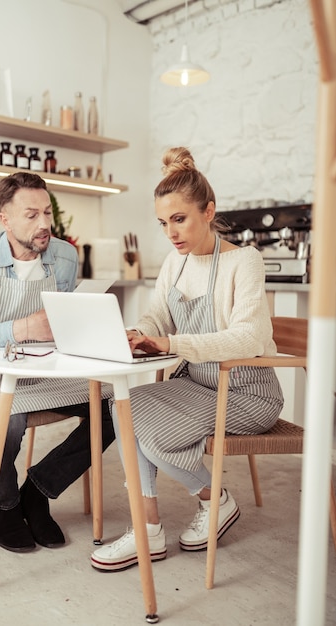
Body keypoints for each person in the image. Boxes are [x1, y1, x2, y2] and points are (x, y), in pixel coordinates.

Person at [91, 147, 284, 571]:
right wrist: (141, 333)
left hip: (247, 390)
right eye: (164, 223)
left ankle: (213, 499)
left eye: (179, 219)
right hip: (198, 382)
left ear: (208, 211)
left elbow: (249, 337)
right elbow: (157, 314)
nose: (171, 233)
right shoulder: (174, 263)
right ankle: (149, 529)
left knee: (152, 430)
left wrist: (170, 345)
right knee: (122, 405)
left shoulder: (244, 262)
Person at [0, 172, 115, 554]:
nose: (43, 225)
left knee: (115, 406)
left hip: (45, 370)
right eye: (30, 215)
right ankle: (5, 508)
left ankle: (37, 491)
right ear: (4, 219)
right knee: (7, 420)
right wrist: (24, 327)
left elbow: (68, 321)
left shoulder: (65, 255)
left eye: (47, 213)